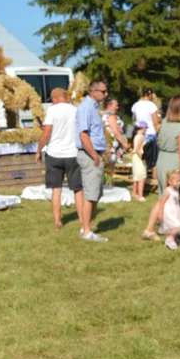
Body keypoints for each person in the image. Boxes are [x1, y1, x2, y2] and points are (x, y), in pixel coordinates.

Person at [142, 96, 180, 241]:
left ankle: (150, 229)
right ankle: (171, 232)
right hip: (173, 163)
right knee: (173, 199)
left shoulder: (164, 123)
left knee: (163, 196)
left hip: (162, 160)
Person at [35, 88, 83, 229]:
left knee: (56, 189)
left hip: (55, 154)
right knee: (78, 190)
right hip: (73, 154)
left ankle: (57, 221)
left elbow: (46, 132)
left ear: (55, 98)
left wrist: (38, 151)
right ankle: (82, 221)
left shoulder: (52, 111)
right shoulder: (75, 110)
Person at [74, 80, 109, 242]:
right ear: (94, 92)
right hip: (89, 154)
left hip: (94, 154)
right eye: (103, 91)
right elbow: (83, 135)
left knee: (95, 193)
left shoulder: (94, 108)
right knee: (90, 194)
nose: (106, 94)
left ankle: (86, 227)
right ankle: (86, 231)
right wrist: (94, 155)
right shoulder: (86, 108)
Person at [131, 87, 161, 184]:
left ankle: (140, 178)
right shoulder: (151, 105)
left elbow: (134, 119)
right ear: (149, 94)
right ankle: (154, 177)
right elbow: (156, 121)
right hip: (150, 131)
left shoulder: (135, 105)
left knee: (141, 154)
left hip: (139, 132)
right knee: (153, 156)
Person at [159, 169, 180, 251]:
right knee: (178, 226)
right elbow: (162, 203)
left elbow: (176, 199)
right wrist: (160, 213)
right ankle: (170, 239)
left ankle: (171, 239)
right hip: (168, 212)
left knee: (170, 228)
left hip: (175, 211)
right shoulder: (168, 191)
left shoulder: (176, 190)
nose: (179, 183)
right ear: (169, 181)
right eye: (177, 181)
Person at [130, 121, 148, 201]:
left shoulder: (136, 136)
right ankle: (140, 195)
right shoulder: (141, 137)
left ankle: (134, 192)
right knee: (142, 176)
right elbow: (138, 149)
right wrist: (143, 158)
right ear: (143, 128)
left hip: (135, 157)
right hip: (139, 157)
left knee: (136, 176)